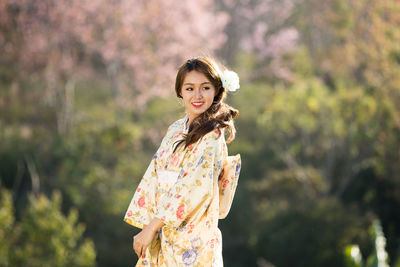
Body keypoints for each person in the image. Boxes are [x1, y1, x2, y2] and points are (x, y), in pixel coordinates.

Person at [124, 57, 242, 266]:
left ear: (216, 90)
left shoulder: (212, 135)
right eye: (189, 88)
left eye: (205, 88)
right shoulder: (175, 129)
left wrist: (152, 226)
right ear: (180, 92)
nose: (197, 96)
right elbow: (153, 175)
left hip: (194, 236)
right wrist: (147, 227)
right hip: (163, 231)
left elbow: (192, 187)